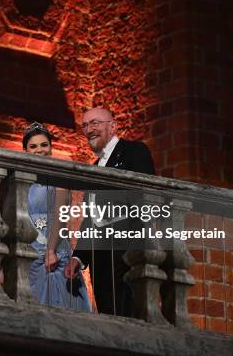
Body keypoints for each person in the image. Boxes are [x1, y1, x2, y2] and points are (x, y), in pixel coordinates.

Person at [67, 107, 155, 316]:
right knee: (109, 318)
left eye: (95, 123)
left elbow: (148, 198)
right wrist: (79, 257)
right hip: (100, 262)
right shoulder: (95, 166)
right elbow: (91, 219)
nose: (89, 129)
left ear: (113, 126)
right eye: (85, 125)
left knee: (132, 318)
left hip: (128, 255)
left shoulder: (135, 151)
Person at [21, 122, 91, 311]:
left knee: (57, 305)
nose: (40, 150)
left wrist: (51, 250)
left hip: (54, 250)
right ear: (26, 151)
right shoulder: (24, 183)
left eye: (44, 145)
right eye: (33, 146)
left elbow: (60, 216)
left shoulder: (59, 178)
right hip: (29, 253)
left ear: (51, 148)